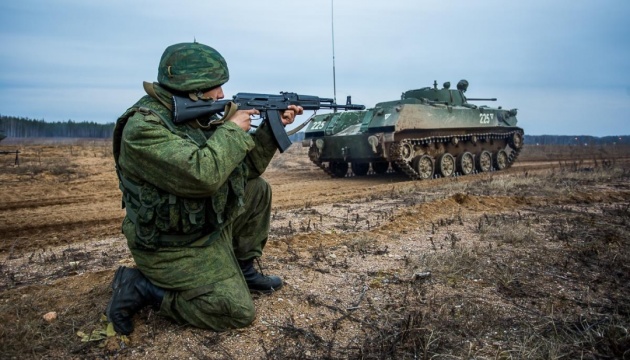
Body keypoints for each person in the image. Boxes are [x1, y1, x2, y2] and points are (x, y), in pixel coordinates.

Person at [106, 41, 303, 335]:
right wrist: (231, 131)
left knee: (256, 189)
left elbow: (243, 170)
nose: (222, 94)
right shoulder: (144, 129)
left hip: (201, 225)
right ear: (190, 87)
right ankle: (142, 287)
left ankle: (243, 269)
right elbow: (202, 176)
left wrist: (270, 130)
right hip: (169, 244)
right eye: (214, 86)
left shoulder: (195, 117)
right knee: (235, 311)